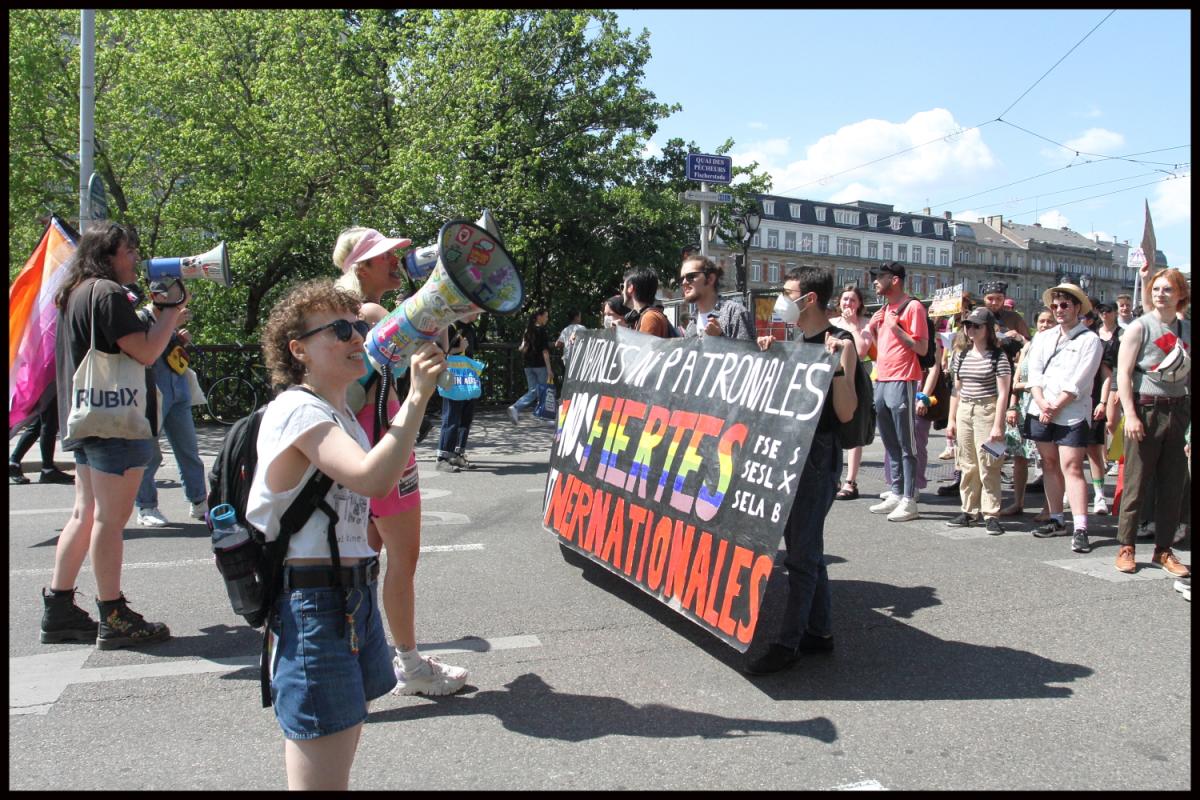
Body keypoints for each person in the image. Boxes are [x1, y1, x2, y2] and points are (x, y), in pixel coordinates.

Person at [247, 279, 446, 789]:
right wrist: (419, 396)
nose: (358, 336)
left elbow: (378, 476)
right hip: (315, 603)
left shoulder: (339, 416)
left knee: (341, 744)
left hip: (346, 597)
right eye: (339, 329)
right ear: (298, 349)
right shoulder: (298, 409)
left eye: (359, 326)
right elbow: (372, 478)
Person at [332, 227, 468, 696]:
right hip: (386, 442)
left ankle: (357, 655)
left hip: (355, 445)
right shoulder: (371, 313)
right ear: (361, 266)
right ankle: (410, 666)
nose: (398, 260)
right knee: (402, 560)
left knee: (364, 559)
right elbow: (436, 358)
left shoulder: (339, 310)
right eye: (386, 256)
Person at [41, 222, 183, 648]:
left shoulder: (77, 291)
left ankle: (59, 608)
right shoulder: (106, 292)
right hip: (117, 419)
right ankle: (113, 614)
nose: (135, 256)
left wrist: (157, 318)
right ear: (107, 254)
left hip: (88, 416)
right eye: (128, 250)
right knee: (109, 519)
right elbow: (145, 350)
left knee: (85, 514)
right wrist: (171, 312)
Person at [745, 267, 857, 674]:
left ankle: (788, 643)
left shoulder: (841, 343)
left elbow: (846, 412)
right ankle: (819, 632)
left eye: (787, 293)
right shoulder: (797, 340)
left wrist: (837, 367)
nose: (781, 300)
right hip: (793, 450)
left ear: (809, 299)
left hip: (817, 456)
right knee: (806, 547)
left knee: (802, 556)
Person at [1112, 268, 1190, 578]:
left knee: (1174, 485)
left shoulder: (1187, 329)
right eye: (1156, 289)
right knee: (1136, 482)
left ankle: (1164, 549)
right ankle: (1126, 546)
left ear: (1180, 294)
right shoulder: (1138, 327)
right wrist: (1130, 415)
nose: (1160, 294)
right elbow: (1123, 374)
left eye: (1167, 290)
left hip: (1179, 409)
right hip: (1146, 411)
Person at [1026, 284, 1104, 554]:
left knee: (1071, 466)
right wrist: (1040, 401)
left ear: (1077, 308)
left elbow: (1081, 380)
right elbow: (1033, 372)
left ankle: (1081, 526)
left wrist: (1056, 405)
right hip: (1042, 408)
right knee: (1048, 463)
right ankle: (1056, 518)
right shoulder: (1043, 337)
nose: (1059, 310)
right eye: (1055, 305)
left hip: (1070, 411)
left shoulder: (1089, 340)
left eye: (1065, 305)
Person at [132, 280, 209, 527]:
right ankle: (146, 507)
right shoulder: (141, 318)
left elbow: (169, 352)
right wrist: (173, 326)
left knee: (189, 450)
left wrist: (179, 339)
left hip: (177, 388)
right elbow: (146, 354)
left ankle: (199, 502)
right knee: (149, 454)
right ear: (158, 297)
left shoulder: (167, 319)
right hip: (153, 391)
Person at [865, 261, 930, 522]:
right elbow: (878, 350)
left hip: (903, 379)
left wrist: (894, 328)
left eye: (879, 276)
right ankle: (895, 491)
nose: (874, 281)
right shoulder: (884, 308)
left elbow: (922, 348)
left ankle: (909, 497)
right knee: (889, 440)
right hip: (882, 378)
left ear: (894, 279)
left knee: (906, 443)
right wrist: (872, 328)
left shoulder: (912, 307)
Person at [945, 308, 1012, 534]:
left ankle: (991, 513)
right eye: (968, 325)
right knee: (967, 463)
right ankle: (969, 510)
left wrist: (997, 424)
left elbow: (1004, 392)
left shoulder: (998, 356)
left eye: (976, 325)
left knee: (989, 464)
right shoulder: (960, 355)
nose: (970, 329)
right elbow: (956, 390)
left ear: (988, 329)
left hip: (987, 408)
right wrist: (951, 420)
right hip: (965, 408)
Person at [1000, 308, 1055, 518]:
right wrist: (1013, 405)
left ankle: (1050, 507)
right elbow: (1016, 381)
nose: (1045, 325)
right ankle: (1017, 502)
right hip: (1023, 406)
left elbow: (1047, 382)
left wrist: (1029, 385)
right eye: (1041, 321)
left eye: (1049, 321)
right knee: (1019, 457)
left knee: (1046, 459)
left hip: (1044, 406)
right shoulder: (1028, 347)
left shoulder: (1057, 348)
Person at [829, 284, 874, 501]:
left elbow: (862, 350)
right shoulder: (831, 323)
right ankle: (834, 477)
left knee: (855, 428)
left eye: (853, 300)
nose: (848, 304)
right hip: (835, 376)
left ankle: (851, 481)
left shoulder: (865, 324)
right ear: (839, 302)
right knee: (834, 428)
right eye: (845, 299)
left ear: (859, 304)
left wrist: (853, 325)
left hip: (858, 377)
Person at [437, 312, 481, 472]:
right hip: (453, 377)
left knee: (465, 418)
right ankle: (443, 457)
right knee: (451, 417)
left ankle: (458, 454)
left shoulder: (470, 328)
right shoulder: (449, 327)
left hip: (466, 377)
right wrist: (459, 349)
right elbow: (441, 352)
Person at [678, 255, 755, 342]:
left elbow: (747, 353)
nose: (684, 283)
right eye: (681, 279)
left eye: (690, 276)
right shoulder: (692, 324)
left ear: (710, 279)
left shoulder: (735, 313)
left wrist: (719, 337)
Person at [9, 384, 73, 484]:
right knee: (49, 423)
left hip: (45, 382)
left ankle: (14, 462)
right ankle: (47, 469)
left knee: (39, 424)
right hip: (49, 382)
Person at [507, 307, 554, 423]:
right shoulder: (541, 330)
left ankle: (536, 413)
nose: (547, 318)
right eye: (546, 316)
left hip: (528, 365)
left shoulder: (528, 330)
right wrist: (549, 369)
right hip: (540, 365)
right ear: (539, 316)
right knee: (541, 390)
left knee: (534, 390)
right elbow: (545, 351)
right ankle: (540, 414)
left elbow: (523, 348)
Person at [622, 266, 673, 337]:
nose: (622, 292)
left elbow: (643, 347)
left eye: (623, 287)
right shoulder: (646, 316)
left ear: (630, 288)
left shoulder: (649, 318)